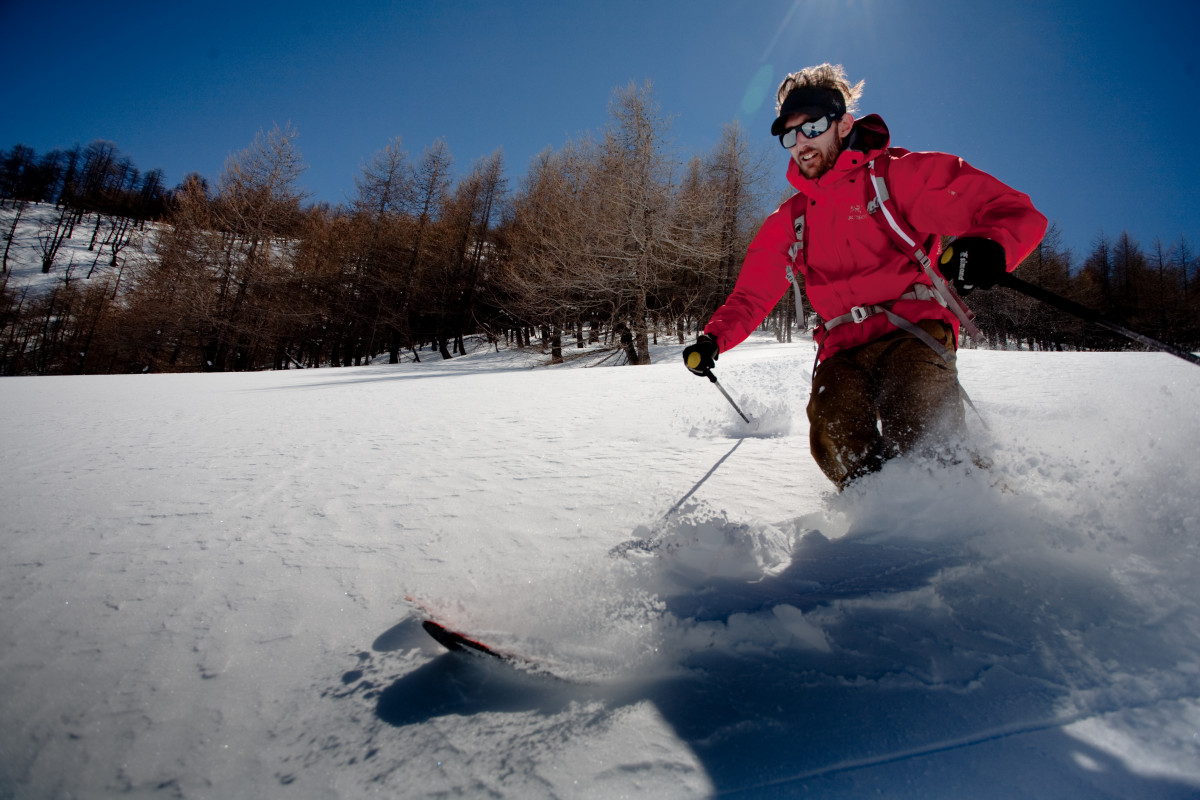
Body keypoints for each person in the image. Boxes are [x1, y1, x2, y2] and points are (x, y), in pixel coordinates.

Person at [683, 63, 1047, 490]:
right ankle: (879, 519)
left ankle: (969, 504)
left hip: (912, 332)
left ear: (843, 124)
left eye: (813, 127)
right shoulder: (792, 220)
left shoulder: (895, 176)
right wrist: (714, 339)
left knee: (916, 417)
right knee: (831, 429)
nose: (801, 143)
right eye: (790, 135)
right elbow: (752, 294)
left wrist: (989, 246)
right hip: (842, 348)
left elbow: (1011, 210)